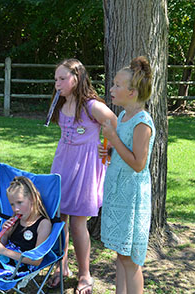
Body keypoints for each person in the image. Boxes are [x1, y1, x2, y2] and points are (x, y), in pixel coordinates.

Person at [47, 59, 117, 294]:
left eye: (62, 79)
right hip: (62, 164)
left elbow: (113, 122)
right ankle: (62, 265)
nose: (57, 84)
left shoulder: (91, 105)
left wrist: (108, 148)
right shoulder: (62, 102)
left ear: (76, 78)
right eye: (56, 79)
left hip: (85, 167)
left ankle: (85, 274)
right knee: (59, 219)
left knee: (78, 223)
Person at [100, 56, 155, 294]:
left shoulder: (143, 122)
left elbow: (139, 164)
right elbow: (125, 153)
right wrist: (111, 150)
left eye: (117, 85)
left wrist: (113, 139)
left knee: (130, 260)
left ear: (132, 92)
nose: (111, 89)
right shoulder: (123, 117)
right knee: (120, 255)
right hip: (119, 193)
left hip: (132, 198)